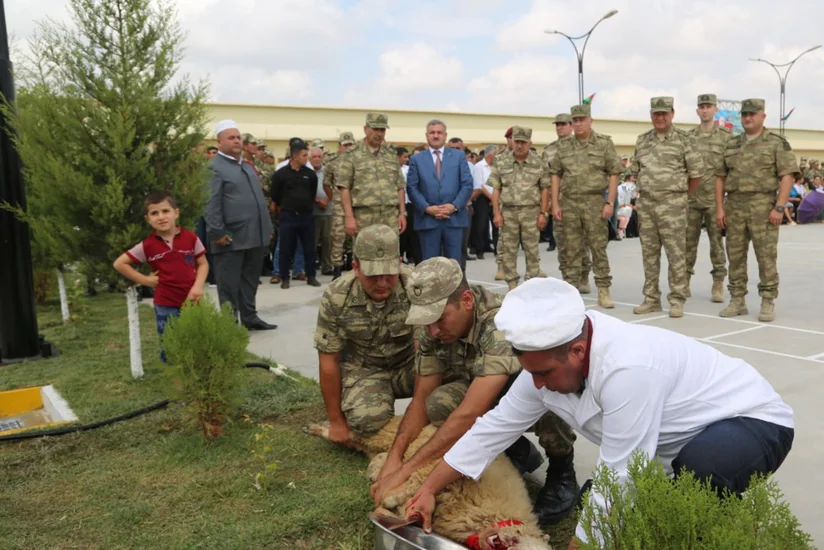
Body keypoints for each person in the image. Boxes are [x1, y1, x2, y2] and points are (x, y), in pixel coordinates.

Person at [404, 277, 794, 548]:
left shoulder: (629, 368)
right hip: (668, 442)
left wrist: (582, 544)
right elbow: (492, 430)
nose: (536, 385)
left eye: (543, 374)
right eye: (530, 372)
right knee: (606, 502)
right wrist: (428, 489)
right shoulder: (546, 361)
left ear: (576, 351)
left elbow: (621, 471)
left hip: (749, 421)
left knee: (699, 475)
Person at [371, 257, 580, 526]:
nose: (432, 330)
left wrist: (405, 471)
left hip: (523, 394)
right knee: (439, 403)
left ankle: (562, 470)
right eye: (427, 321)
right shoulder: (433, 329)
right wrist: (394, 459)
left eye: (439, 318)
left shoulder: (499, 323)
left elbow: (471, 412)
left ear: (467, 300)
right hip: (482, 394)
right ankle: (515, 452)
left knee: (546, 391)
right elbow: (421, 400)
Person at [313, 224, 415, 442]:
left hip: (410, 367)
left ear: (399, 263)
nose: (381, 283)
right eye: (372, 275)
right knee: (366, 421)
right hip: (364, 370)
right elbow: (328, 361)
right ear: (356, 267)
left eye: (389, 274)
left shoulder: (416, 287)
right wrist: (336, 422)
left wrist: (421, 414)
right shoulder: (337, 296)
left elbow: (429, 352)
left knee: (445, 401)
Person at [715, 98, 798, 322]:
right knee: (735, 256)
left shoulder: (776, 143)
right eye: (744, 114)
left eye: (753, 114)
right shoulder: (731, 144)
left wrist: (779, 207)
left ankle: (768, 300)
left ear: (763, 116)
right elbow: (720, 178)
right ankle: (737, 300)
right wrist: (720, 208)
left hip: (764, 205)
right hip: (735, 205)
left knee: (766, 256)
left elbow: (788, 175)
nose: (748, 118)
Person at [113, 192, 209, 362]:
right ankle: (176, 383)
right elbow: (120, 264)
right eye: (154, 213)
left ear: (176, 213)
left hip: (192, 301)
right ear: (147, 219)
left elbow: (203, 264)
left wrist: (198, 286)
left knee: (196, 341)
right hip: (166, 304)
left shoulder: (191, 238)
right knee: (170, 345)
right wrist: (145, 280)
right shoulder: (147, 246)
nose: (161, 217)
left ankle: (195, 379)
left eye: (165, 211)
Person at [631, 97, 703, 319]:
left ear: (672, 114)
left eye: (664, 113)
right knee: (649, 254)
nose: (660, 117)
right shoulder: (642, 141)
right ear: (651, 115)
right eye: (656, 113)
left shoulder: (684, 140)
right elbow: (635, 171)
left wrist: (679, 195)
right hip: (647, 205)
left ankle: (676, 299)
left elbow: (697, 175)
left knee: (675, 254)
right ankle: (651, 298)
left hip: (673, 205)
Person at [205, 120, 275, 331]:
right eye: (231, 137)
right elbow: (210, 203)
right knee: (228, 284)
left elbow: (259, 201)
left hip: (254, 235)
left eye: (238, 137)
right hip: (230, 237)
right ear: (219, 142)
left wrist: (267, 228)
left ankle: (249, 317)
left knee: (250, 281)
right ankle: (228, 323)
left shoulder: (245, 166)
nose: (237, 141)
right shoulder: (214, 168)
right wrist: (217, 232)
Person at [550, 104, 621, 308]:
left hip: (595, 202)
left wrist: (609, 202)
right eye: (575, 120)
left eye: (582, 119)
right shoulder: (563, 146)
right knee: (571, 249)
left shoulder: (604, 143)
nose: (578, 123)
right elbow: (556, 174)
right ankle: (571, 291)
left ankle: (603, 290)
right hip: (570, 203)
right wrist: (555, 203)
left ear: (591, 120)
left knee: (598, 247)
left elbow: (614, 173)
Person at [406, 120, 474, 266]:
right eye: (432, 132)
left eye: (439, 132)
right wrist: (427, 208)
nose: (435, 136)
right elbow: (412, 188)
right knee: (430, 267)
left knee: (455, 266)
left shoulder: (458, 156)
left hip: (454, 219)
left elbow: (467, 184)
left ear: (445, 135)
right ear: (426, 136)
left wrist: (454, 206)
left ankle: (458, 290)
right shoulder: (416, 159)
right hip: (428, 221)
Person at [489, 126, 550, 290]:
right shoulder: (501, 161)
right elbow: (496, 189)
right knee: (509, 251)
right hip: (508, 212)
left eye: (523, 142)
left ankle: (531, 285)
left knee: (532, 250)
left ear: (530, 143)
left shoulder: (539, 162)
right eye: (517, 141)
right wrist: (496, 213)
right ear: (512, 141)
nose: (520, 145)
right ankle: (512, 286)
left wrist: (543, 213)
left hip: (532, 212)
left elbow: (545, 189)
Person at [686, 94, 730, 303]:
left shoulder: (726, 137)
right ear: (697, 111)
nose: (705, 110)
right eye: (701, 107)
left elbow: (731, 168)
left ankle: (718, 283)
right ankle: (683, 281)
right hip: (692, 200)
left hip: (715, 200)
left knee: (717, 244)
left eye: (708, 106)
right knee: (687, 243)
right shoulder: (688, 137)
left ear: (715, 110)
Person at [336, 113, 407, 238]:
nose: (379, 133)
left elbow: (400, 186)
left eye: (382, 130)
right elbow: (344, 187)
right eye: (375, 129)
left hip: (390, 217)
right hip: (363, 217)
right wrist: (349, 217)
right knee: (364, 256)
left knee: (391, 255)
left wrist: (402, 213)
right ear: (365, 129)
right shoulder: (351, 155)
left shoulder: (390, 155)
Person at [543, 113, 592, 285]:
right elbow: (545, 178)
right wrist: (548, 202)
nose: (560, 127)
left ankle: (584, 273)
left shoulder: (582, 146)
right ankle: (567, 280)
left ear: (571, 126)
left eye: (563, 124)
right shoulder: (549, 150)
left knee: (582, 241)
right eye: (557, 125)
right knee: (562, 241)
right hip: (559, 203)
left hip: (579, 201)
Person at [270, 138, 322, 289]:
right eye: (304, 155)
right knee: (285, 248)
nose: (307, 159)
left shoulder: (310, 174)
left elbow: (312, 192)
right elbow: (275, 195)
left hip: (306, 216)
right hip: (288, 216)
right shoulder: (281, 174)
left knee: (309, 248)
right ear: (295, 156)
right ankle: (285, 278)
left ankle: (311, 276)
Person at [327, 132, 357, 280]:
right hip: (339, 205)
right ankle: (337, 269)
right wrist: (334, 198)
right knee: (338, 237)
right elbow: (327, 183)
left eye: (350, 144)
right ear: (340, 147)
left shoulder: (360, 161)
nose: (348, 148)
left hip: (357, 204)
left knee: (357, 237)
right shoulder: (332, 163)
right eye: (345, 145)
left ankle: (354, 267)